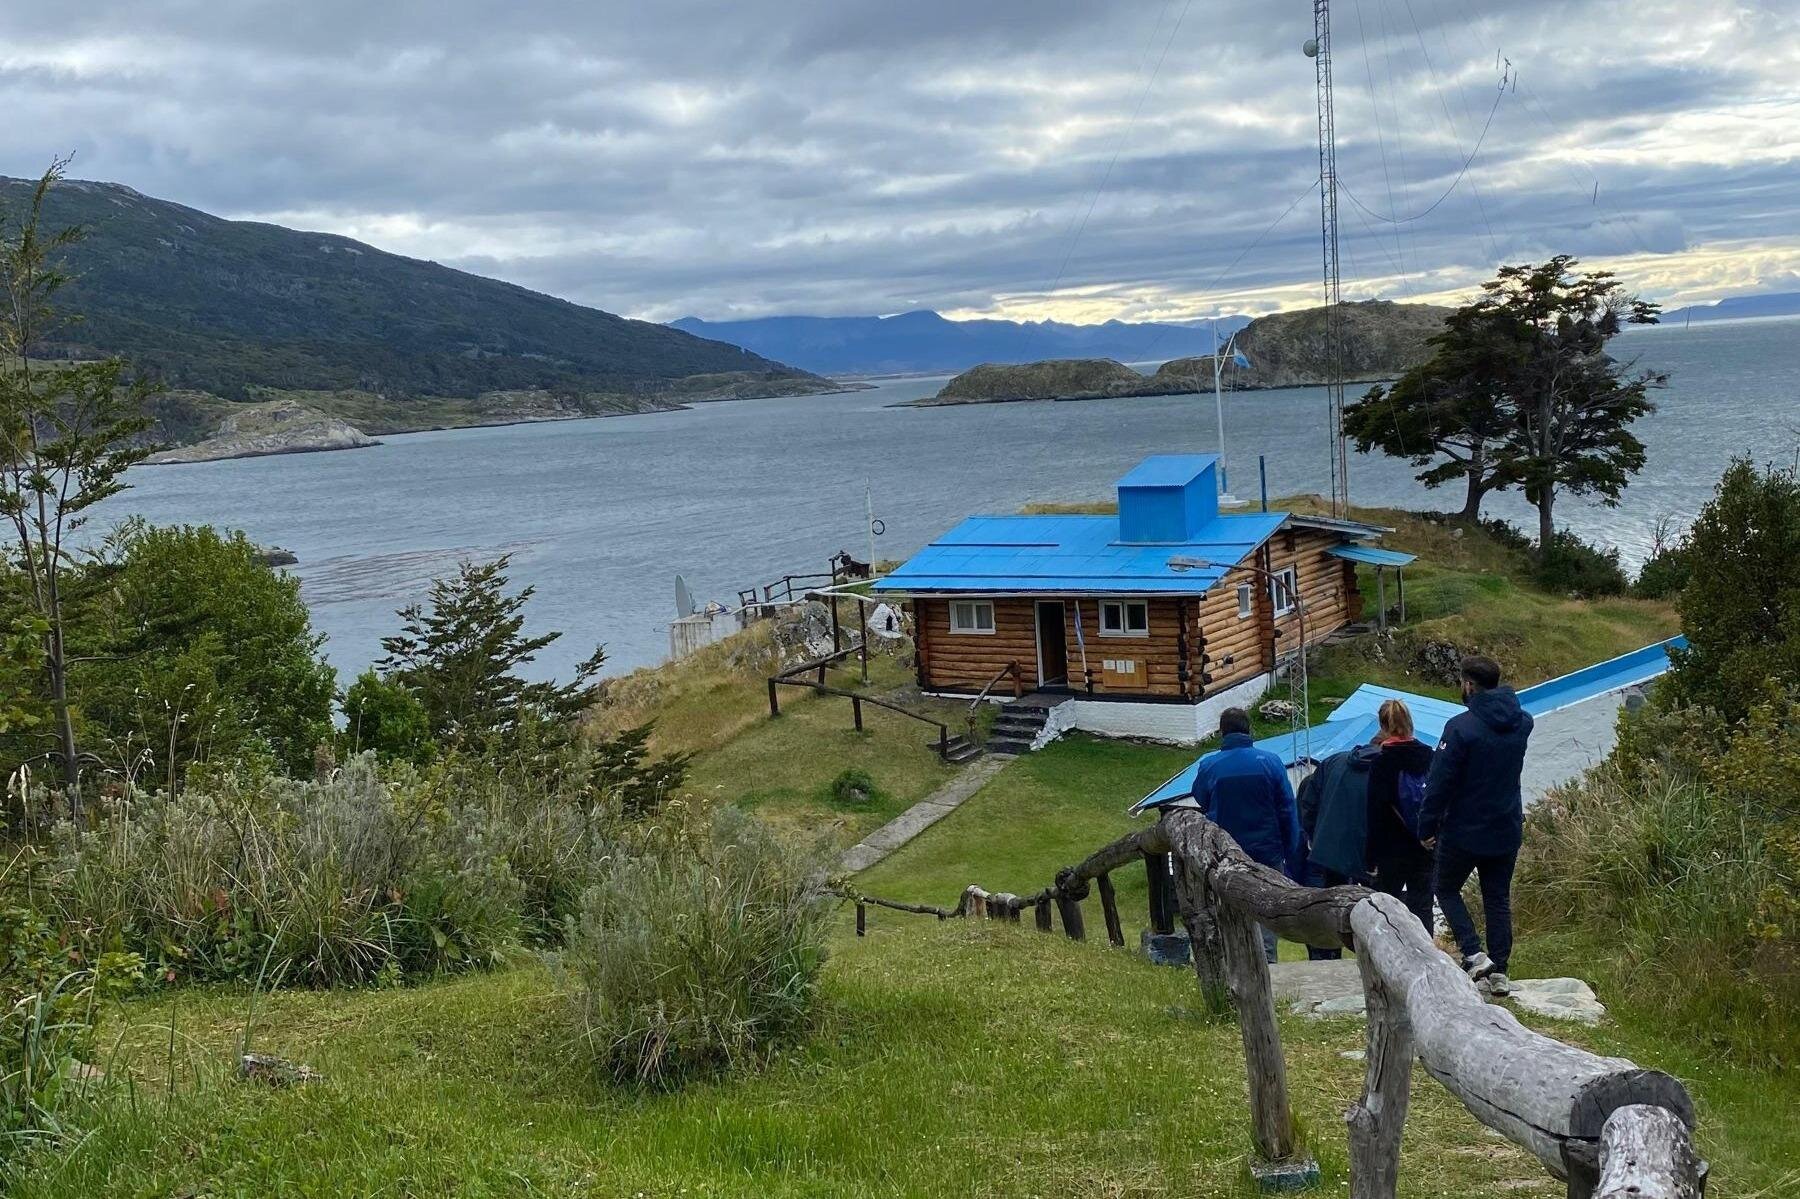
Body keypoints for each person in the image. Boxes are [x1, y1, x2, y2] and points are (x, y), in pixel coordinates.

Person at [1421, 655, 1534, 996]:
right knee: (1497, 897)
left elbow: (1439, 783)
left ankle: (1473, 953)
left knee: (1445, 887)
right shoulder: (1522, 722)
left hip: (1464, 828)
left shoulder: (1460, 728)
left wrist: (1426, 826)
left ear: (1469, 685)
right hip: (1506, 824)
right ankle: (1500, 972)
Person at [1189, 707, 1303, 963]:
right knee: (1266, 906)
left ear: (1222, 732)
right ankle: (1268, 963)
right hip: (1267, 849)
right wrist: (1290, 847)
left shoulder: (1209, 765)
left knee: (1228, 906)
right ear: (1249, 730)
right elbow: (1287, 808)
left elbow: (1201, 796)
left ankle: (1233, 962)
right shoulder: (1271, 762)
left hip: (1225, 851)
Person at [1295, 737, 1379, 960]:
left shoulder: (1328, 770)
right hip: (1369, 849)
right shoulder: (1383, 771)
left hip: (1327, 851)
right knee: (1375, 902)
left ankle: (1328, 953)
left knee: (1330, 902)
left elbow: (1305, 811)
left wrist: (1314, 838)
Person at [1364, 698, 1435, 933]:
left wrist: (1370, 858)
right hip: (1424, 843)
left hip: (1391, 847)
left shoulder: (1382, 762)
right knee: (1422, 907)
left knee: (1387, 908)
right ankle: (1426, 950)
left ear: (1383, 726)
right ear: (1410, 722)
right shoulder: (1429, 755)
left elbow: (1375, 812)